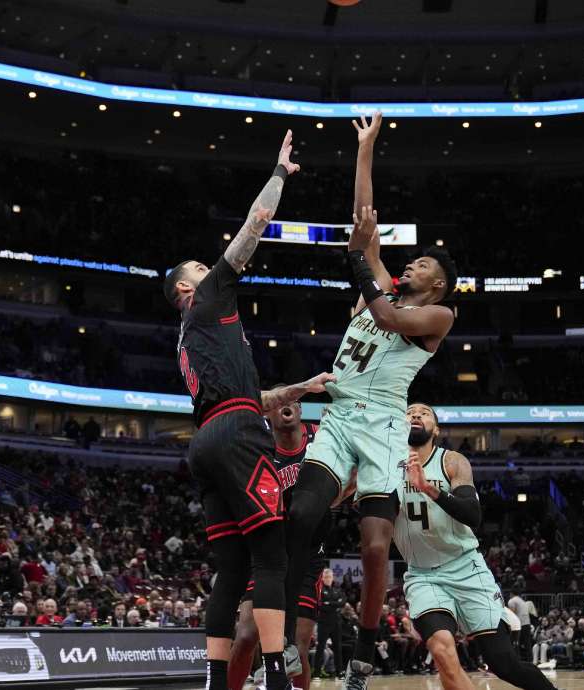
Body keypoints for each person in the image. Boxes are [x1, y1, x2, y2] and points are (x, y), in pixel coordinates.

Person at [284, 111, 458, 690]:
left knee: (377, 548)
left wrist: (359, 261)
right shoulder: (381, 281)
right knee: (301, 514)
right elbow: (363, 223)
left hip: (384, 424)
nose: (412, 264)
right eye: (410, 260)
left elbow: (384, 312)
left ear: (436, 284)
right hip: (337, 416)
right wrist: (365, 149)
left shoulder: (436, 313)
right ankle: (283, 633)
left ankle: (361, 652)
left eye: (423, 264)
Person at [163, 130, 331, 690]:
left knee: (229, 571)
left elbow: (248, 399)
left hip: (208, 440)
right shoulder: (209, 296)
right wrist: (279, 173)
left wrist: (300, 387)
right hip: (236, 434)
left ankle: (215, 681)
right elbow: (253, 226)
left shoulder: (188, 339)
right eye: (197, 267)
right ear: (189, 285)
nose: (205, 268)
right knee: (271, 556)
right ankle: (277, 677)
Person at [392, 404, 556, 690]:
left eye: (425, 413)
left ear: (437, 429)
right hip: (422, 574)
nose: (416, 415)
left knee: (503, 664)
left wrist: (428, 487)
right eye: (410, 412)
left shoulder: (452, 461)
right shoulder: (385, 465)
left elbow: (473, 515)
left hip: (466, 567)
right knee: (442, 649)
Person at [227, 401, 344, 690]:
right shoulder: (258, 447)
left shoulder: (321, 436)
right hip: (268, 553)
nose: (287, 407)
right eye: (280, 403)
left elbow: (349, 474)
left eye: (293, 402)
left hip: (306, 557)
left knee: (298, 649)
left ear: (302, 411)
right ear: (268, 413)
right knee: (245, 636)